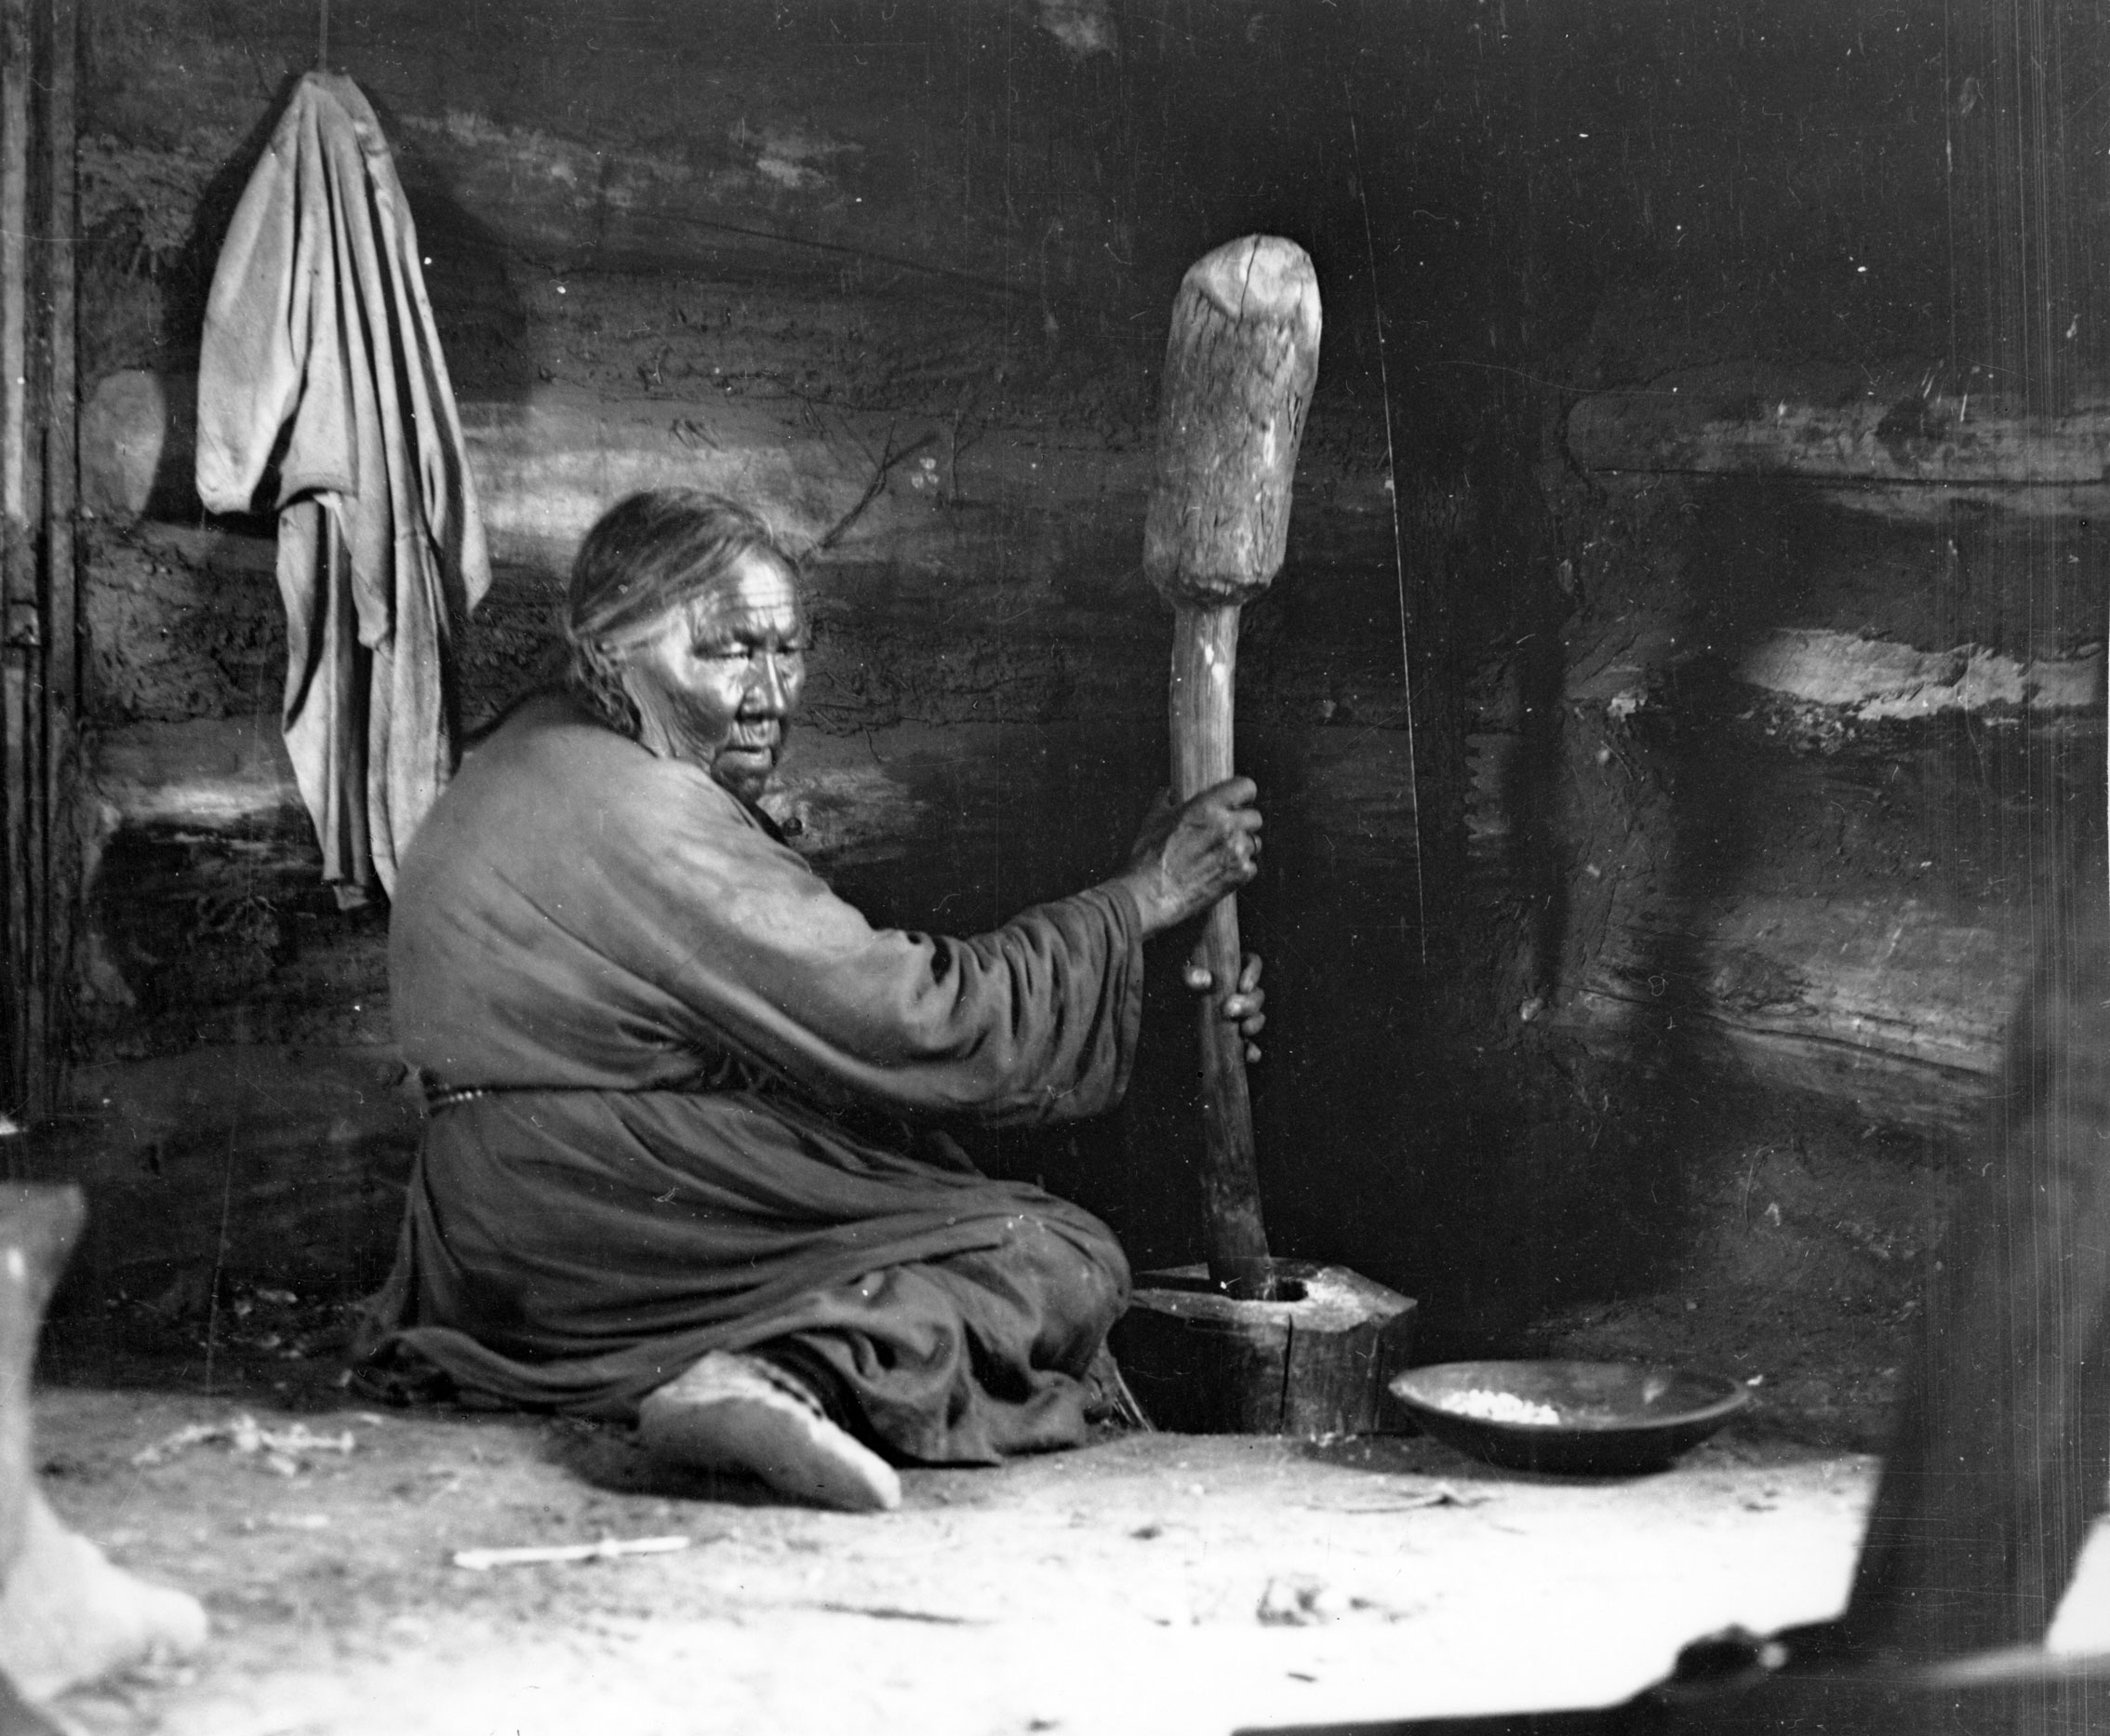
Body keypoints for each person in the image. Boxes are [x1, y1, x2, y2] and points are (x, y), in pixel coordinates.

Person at [355, 487, 1266, 1512]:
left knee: (937, 1178)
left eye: (786, 652)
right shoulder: (642, 812)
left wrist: (1135, 923)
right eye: (727, 651)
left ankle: (767, 1366)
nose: (770, 694)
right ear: (608, 648)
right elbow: (917, 1018)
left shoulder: (546, 752)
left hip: (501, 1228)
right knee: (1053, 1252)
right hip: (584, 1204)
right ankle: (780, 1376)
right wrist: (1145, 900)